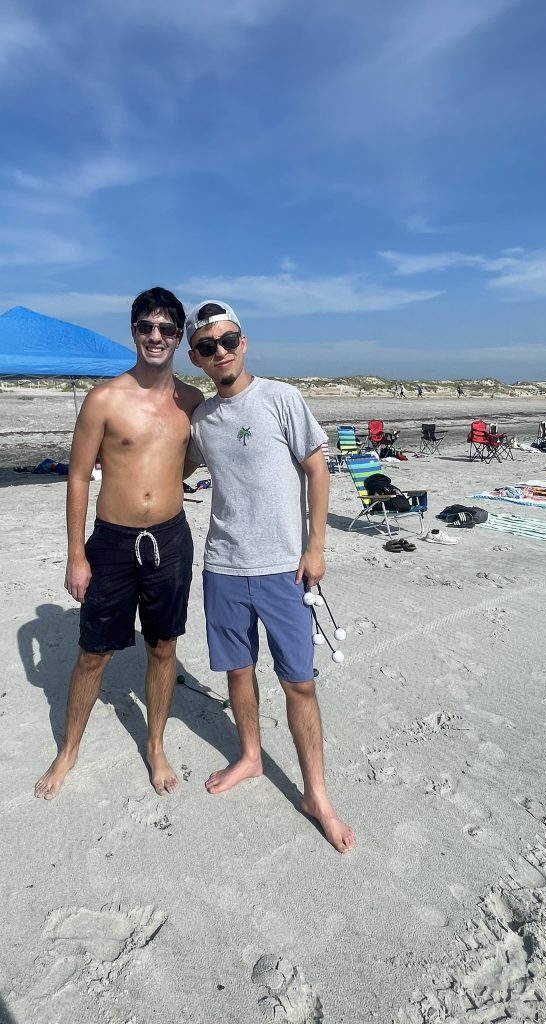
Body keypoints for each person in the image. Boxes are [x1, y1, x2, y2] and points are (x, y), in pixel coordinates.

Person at [185, 300, 355, 854]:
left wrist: (316, 545)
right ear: (197, 357)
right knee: (238, 674)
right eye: (208, 347)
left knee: (298, 682)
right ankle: (252, 756)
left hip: (284, 566)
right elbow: (168, 462)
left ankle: (317, 796)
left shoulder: (281, 398)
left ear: (244, 341)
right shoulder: (201, 420)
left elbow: (317, 466)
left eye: (228, 339)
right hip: (223, 568)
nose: (221, 351)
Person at [34, 287, 203, 800]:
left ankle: (154, 744)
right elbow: (79, 478)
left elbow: (199, 455)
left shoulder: (191, 402)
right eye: (147, 327)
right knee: (93, 654)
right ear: (133, 331)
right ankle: (68, 751)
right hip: (111, 542)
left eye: (167, 329)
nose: (156, 337)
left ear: (178, 338)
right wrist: (75, 555)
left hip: (171, 539)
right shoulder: (104, 399)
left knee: (163, 646)